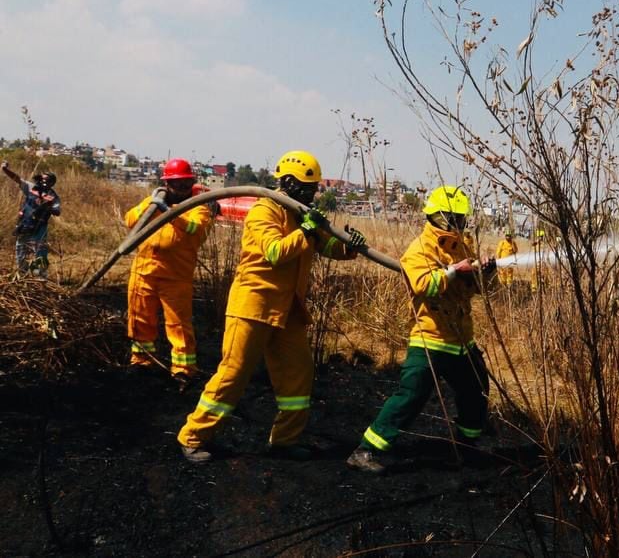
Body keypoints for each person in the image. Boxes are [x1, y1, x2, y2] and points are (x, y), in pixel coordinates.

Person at [177, 150, 366, 464]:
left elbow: (326, 244)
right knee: (233, 375)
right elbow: (276, 252)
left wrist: (349, 245)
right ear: (289, 182)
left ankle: (285, 441)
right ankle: (193, 437)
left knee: (297, 376)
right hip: (253, 306)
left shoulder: (302, 213)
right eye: (307, 186)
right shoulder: (263, 211)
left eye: (314, 187)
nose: (312, 192)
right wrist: (306, 230)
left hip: (288, 310)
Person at [348, 185, 497, 474]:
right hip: (430, 338)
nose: (456, 224)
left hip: (462, 340)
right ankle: (366, 450)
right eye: (451, 218)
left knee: (476, 391)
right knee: (412, 395)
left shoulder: (463, 247)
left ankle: (467, 448)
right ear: (437, 216)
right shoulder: (419, 249)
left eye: (460, 218)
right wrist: (455, 270)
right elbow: (423, 286)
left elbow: (478, 290)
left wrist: (486, 273)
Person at [123, 158, 213, 386]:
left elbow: (195, 230)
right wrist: (152, 204)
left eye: (185, 183)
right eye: (175, 184)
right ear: (166, 184)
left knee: (178, 325)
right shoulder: (153, 203)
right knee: (140, 319)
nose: (180, 188)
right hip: (144, 271)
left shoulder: (199, 208)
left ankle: (183, 369)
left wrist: (170, 213)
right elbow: (130, 220)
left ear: (191, 182)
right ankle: (141, 361)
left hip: (175, 277)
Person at [2, 160, 61, 277]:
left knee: (40, 253)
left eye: (47, 180)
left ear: (52, 183)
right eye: (42, 178)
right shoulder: (31, 187)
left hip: (40, 228)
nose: (43, 181)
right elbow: (17, 179)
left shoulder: (53, 196)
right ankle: (22, 275)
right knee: (20, 252)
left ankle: (39, 277)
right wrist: (5, 169)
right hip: (25, 225)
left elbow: (57, 211)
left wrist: (47, 206)